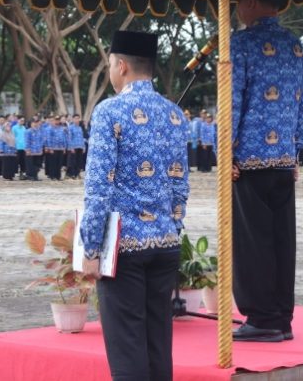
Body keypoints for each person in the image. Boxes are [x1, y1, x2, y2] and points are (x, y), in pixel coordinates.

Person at [80, 31, 189, 380]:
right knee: (158, 348)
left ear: (122, 66)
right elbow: (180, 185)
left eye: (111, 64)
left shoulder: (108, 111)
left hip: (123, 247)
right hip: (165, 244)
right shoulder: (174, 114)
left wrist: (91, 246)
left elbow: (98, 186)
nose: (111, 71)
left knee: (128, 351)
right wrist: (172, 227)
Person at [230, 0, 303, 343]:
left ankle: (261, 316)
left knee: (253, 241)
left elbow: (231, 101)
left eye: (237, 2)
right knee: (281, 240)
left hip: (249, 158)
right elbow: (301, 105)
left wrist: (225, 150)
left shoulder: (241, 43)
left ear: (248, 0)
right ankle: (280, 316)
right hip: (282, 160)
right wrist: (295, 151)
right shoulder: (296, 47)